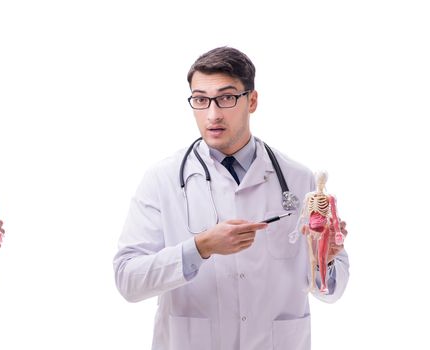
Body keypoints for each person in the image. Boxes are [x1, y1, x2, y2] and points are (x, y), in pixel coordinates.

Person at [113, 47, 349, 350]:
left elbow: (332, 290)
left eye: (226, 98)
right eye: (200, 100)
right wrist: (200, 248)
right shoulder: (163, 179)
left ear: (252, 101)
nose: (212, 114)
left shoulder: (298, 179)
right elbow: (128, 281)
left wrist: (325, 256)